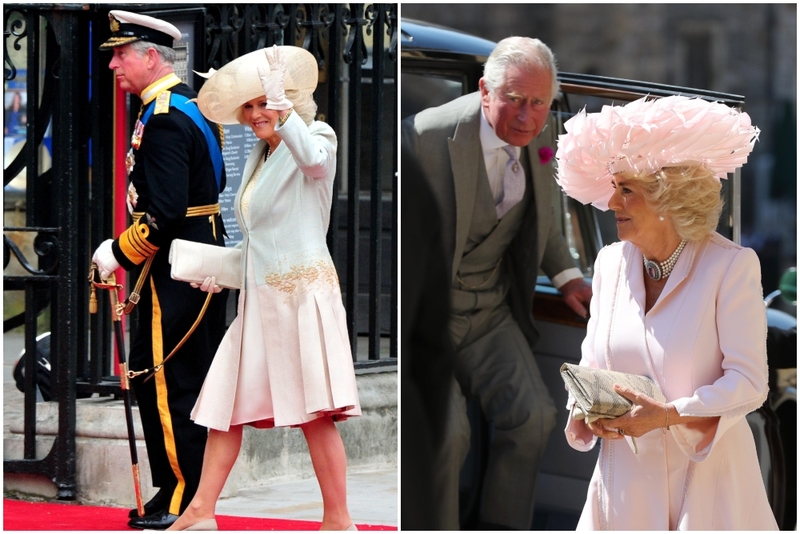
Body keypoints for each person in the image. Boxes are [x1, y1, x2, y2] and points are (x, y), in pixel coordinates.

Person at [555, 95, 778, 530]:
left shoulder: (730, 267)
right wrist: (586, 409)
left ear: (666, 199)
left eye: (626, 191)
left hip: (706, 486)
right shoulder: (609, 264)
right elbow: (591, 364)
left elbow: (750, 383)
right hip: (624, 488)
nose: (611, 204)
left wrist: (669, 416)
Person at [165, 45, 361, 532]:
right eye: (248, 107)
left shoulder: (315, 135)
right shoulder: (259, 153)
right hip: (258, 300)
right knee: (225, 409)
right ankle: (201, 510)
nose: (255, 115)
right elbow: (260, 240)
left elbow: (316, 163)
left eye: (263, 103)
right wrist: (221, 272)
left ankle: (339, 520)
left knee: (315, 414)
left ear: (286, 99)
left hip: (302, 295)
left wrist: (286, 110)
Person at [402, 36, 593, 530]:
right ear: (485, 91)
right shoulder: (423, 136)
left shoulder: (543, 134)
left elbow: (544, 218)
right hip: (426, 318)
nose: (527, 115)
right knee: (447, 436)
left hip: (490, 311)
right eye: (514, 98)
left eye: (538, 103)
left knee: (534, 419)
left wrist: (569, 277)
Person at [91, 10, 229, 530]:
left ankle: (183, 500)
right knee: (172, 379)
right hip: (187, 261)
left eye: (120, 55)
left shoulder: (168, 117)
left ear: (151, 57)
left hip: (178, 267)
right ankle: (174, 489)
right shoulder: (183, 108)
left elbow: (166, 212)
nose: (113, 66)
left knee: (171, 382)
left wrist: (119, 252)